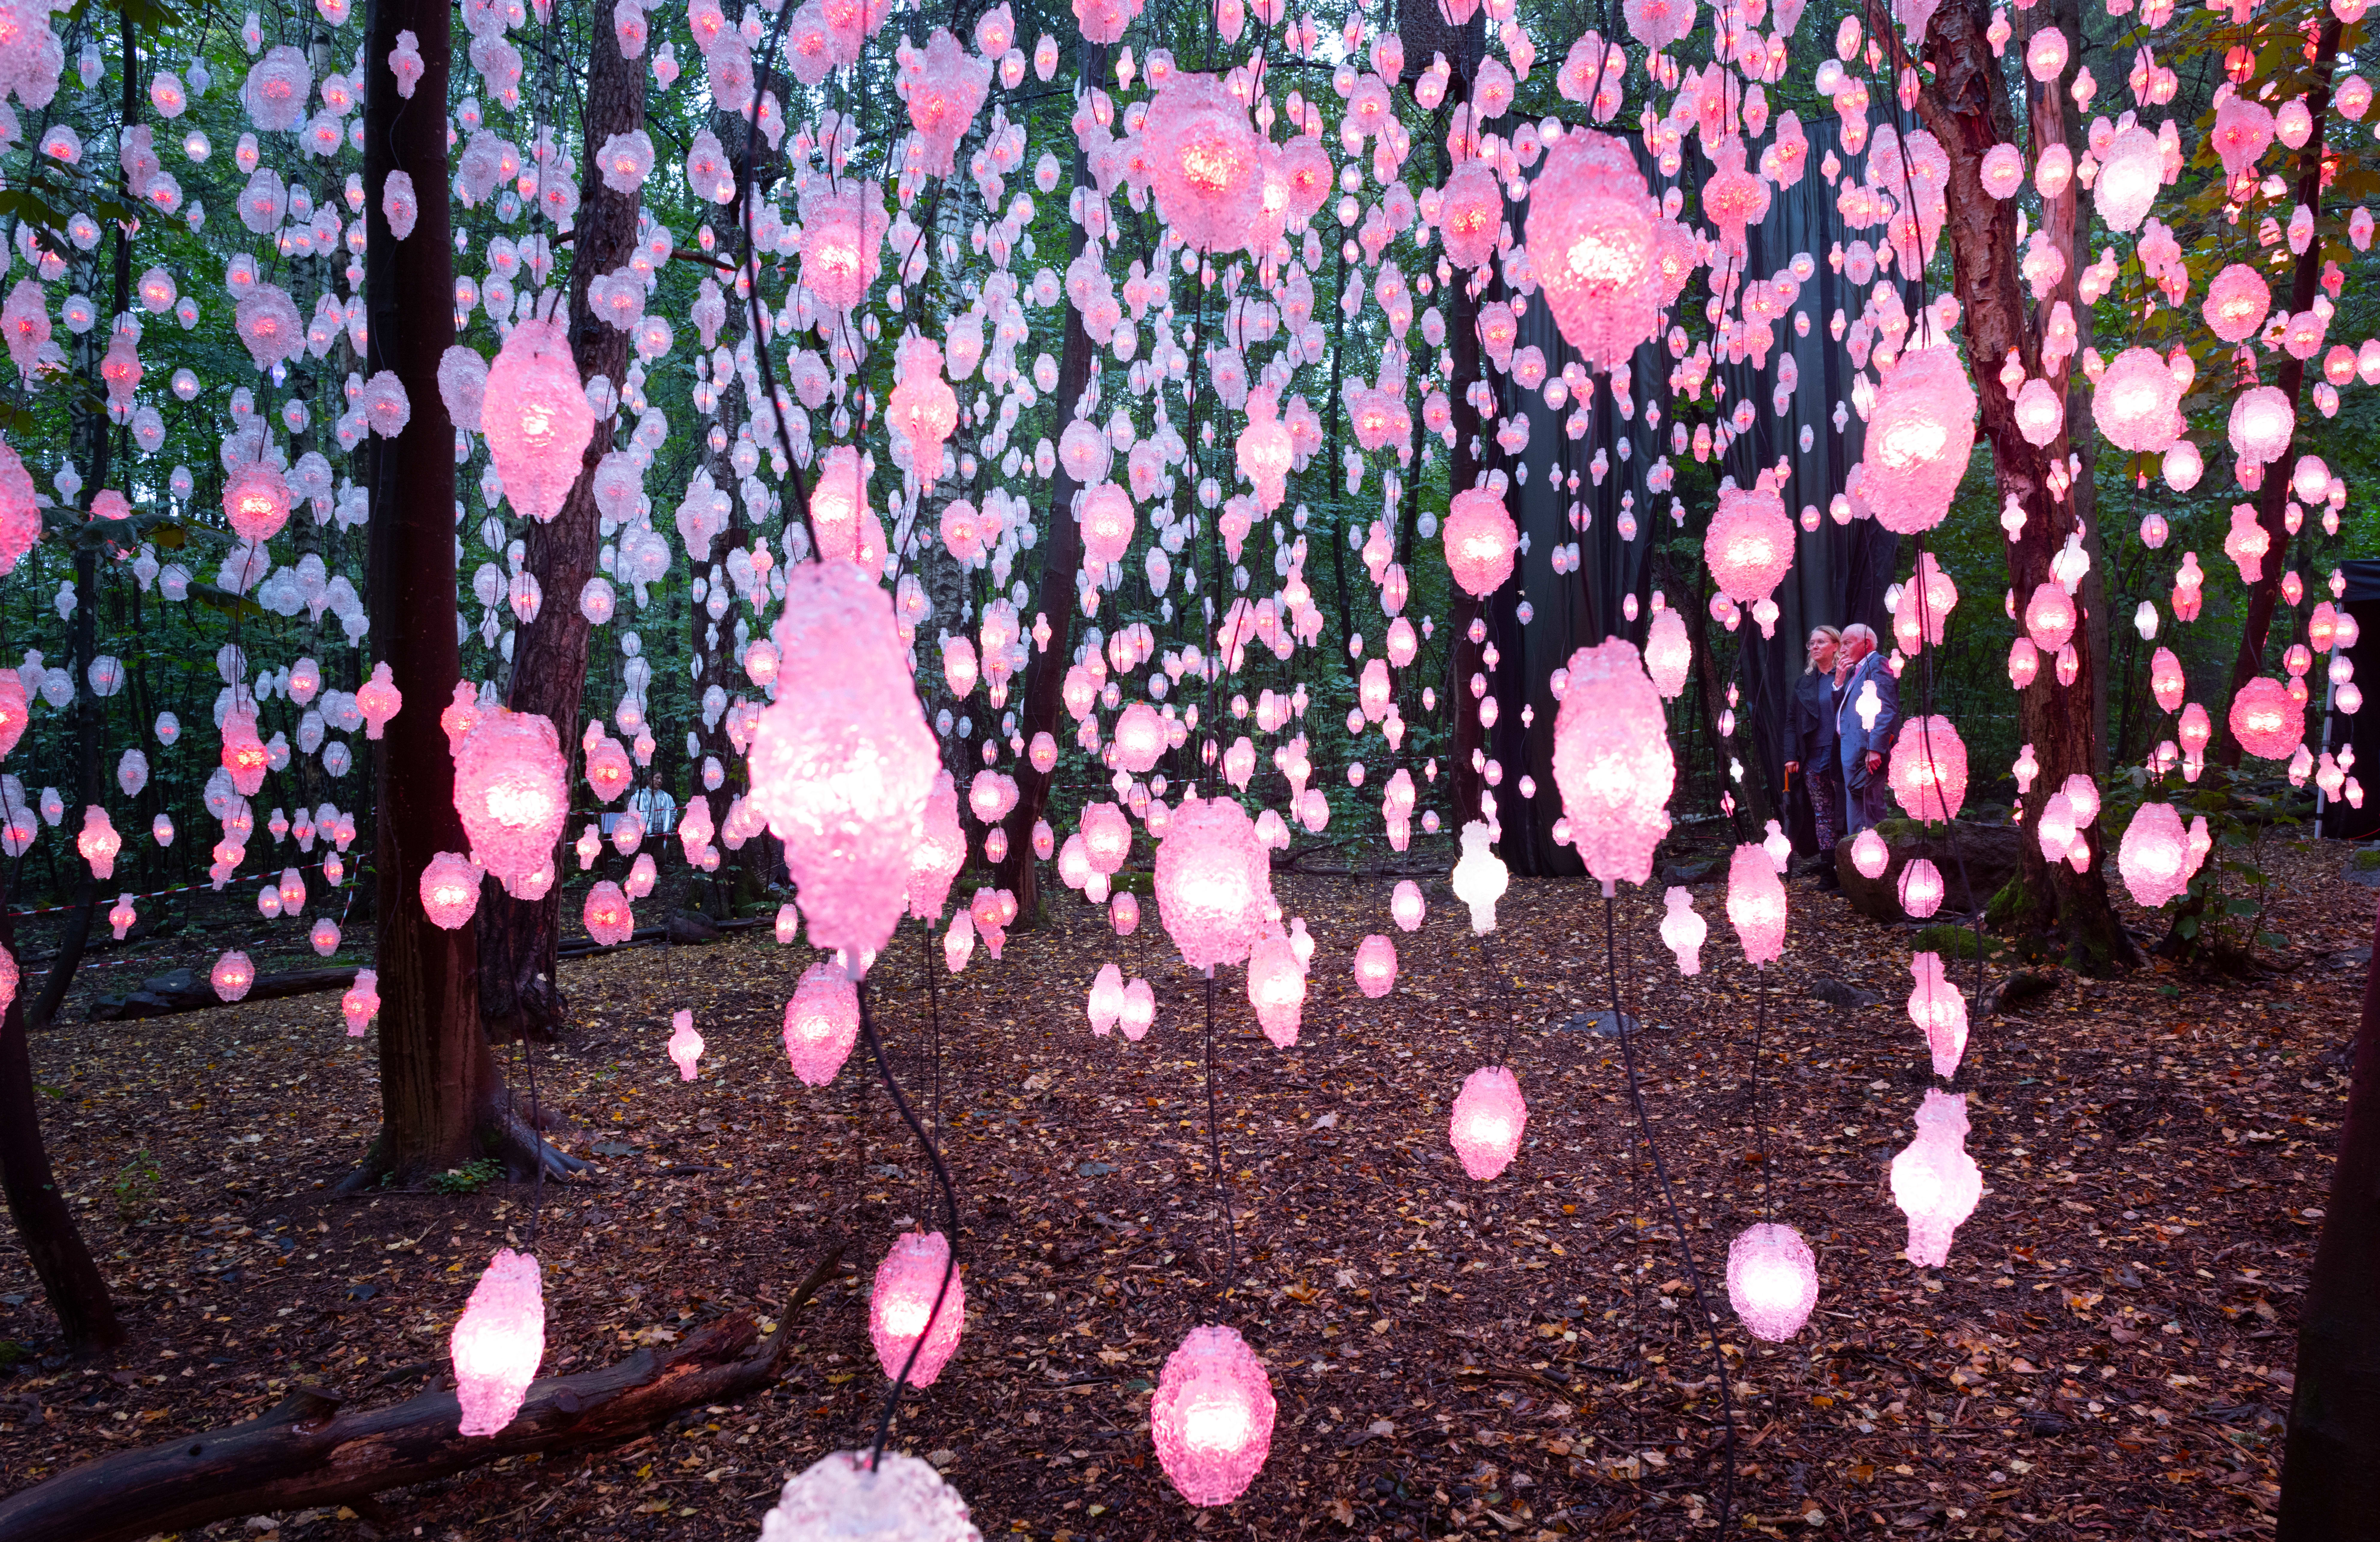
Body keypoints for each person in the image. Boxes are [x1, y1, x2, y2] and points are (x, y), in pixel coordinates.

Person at [1785, 626, 1843, 887]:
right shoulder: (1805, 682)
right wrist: (1791, 755)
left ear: (1836, 645)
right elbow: (1791, 721)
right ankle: (1828, 872)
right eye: (1811, 643)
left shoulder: (1848, 676)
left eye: (1821, 642)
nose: (1815, 647)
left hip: (1843, 755)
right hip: (1812, 758)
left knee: (1846, 811)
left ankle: (1853, 870)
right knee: (1823, 814)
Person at [1834, 623, 1900, 836]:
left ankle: (1871, 858)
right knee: (1856, 804)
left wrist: (1875, 748)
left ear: (1866, 643)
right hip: (1853, 748)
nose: (1841, 649)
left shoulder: (1878, 664)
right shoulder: (1858, 670)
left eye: (1847, 643)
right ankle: (1859, 855)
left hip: (1865, 750)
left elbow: (1885, 709)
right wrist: (1839, 681)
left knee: (1866, 806)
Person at [630, 770, 677, 843]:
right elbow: (631, 814)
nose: (660, 781)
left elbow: (674, 813)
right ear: (649, 779)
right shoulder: (638, 797)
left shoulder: (667, 797)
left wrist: (670, 824)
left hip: (663, 834)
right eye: (657, 778)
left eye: (661, 779)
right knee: (646, 854)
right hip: (644, 835)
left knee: (660, 854)